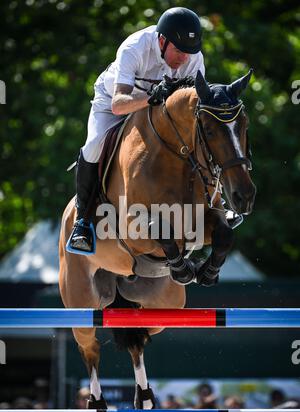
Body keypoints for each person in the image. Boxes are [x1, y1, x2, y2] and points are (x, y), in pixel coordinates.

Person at [67, 7, 205, 254]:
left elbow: (194, 105)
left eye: (189, 53)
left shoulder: (194, 58)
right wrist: (152, 98)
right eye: (179, 51)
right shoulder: (135, 48)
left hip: (159, 110)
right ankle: (83, 221)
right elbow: (119, 104)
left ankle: (213, 202)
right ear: (162, 40)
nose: (184, 59)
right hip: (114, 101)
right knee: (94, 145)